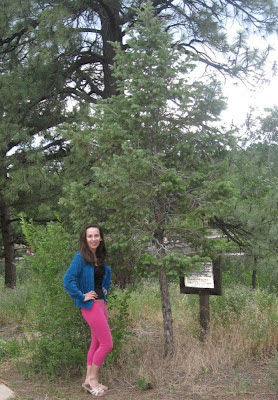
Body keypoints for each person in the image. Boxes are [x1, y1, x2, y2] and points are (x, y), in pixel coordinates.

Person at [63, 223, 113, 397]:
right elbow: (68, 280)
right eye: (90, 236)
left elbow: (107, 275)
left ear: (100, 238)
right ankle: (93, 380)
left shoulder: (101, 258)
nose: (93, 239)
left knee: (97, 343)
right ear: (85, 239)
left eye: (96, 235)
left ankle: (86, 380)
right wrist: (81, 295)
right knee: (107, 344)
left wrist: (105, 288)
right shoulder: (80, 258)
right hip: (90, 306)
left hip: (101, 305)